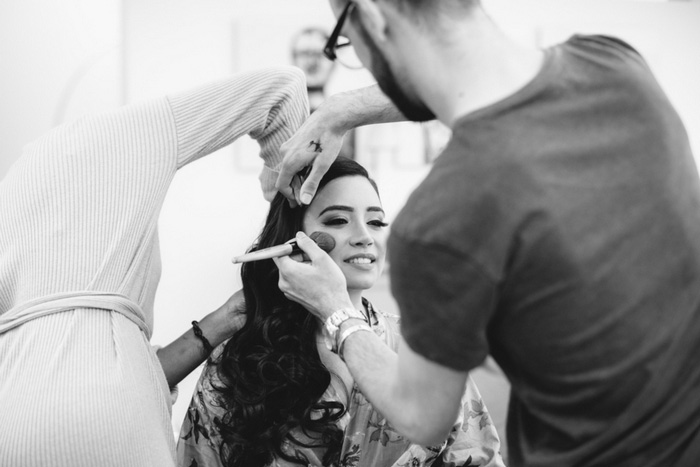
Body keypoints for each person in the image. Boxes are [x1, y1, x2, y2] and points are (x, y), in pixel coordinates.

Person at [272, 1, 700, 466]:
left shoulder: (443, 218)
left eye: (349, 43)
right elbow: (488, 84)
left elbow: (423, 416)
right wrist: (341, 111)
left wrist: (335, 309)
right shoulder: (616, 65)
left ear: (373, 19)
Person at [0, 66, 308, 466]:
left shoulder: (14, 189)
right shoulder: (124, 132)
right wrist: (287, 200)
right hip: (111, 416)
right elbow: (281, 90)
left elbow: (87, 370)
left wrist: (225, 319)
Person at [177, 157, 505, 467]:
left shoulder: (428, 348)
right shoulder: (241, 359)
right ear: (294, 239)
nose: (365, 236)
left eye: (376, 221)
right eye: (338, 220)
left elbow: (477, 456)